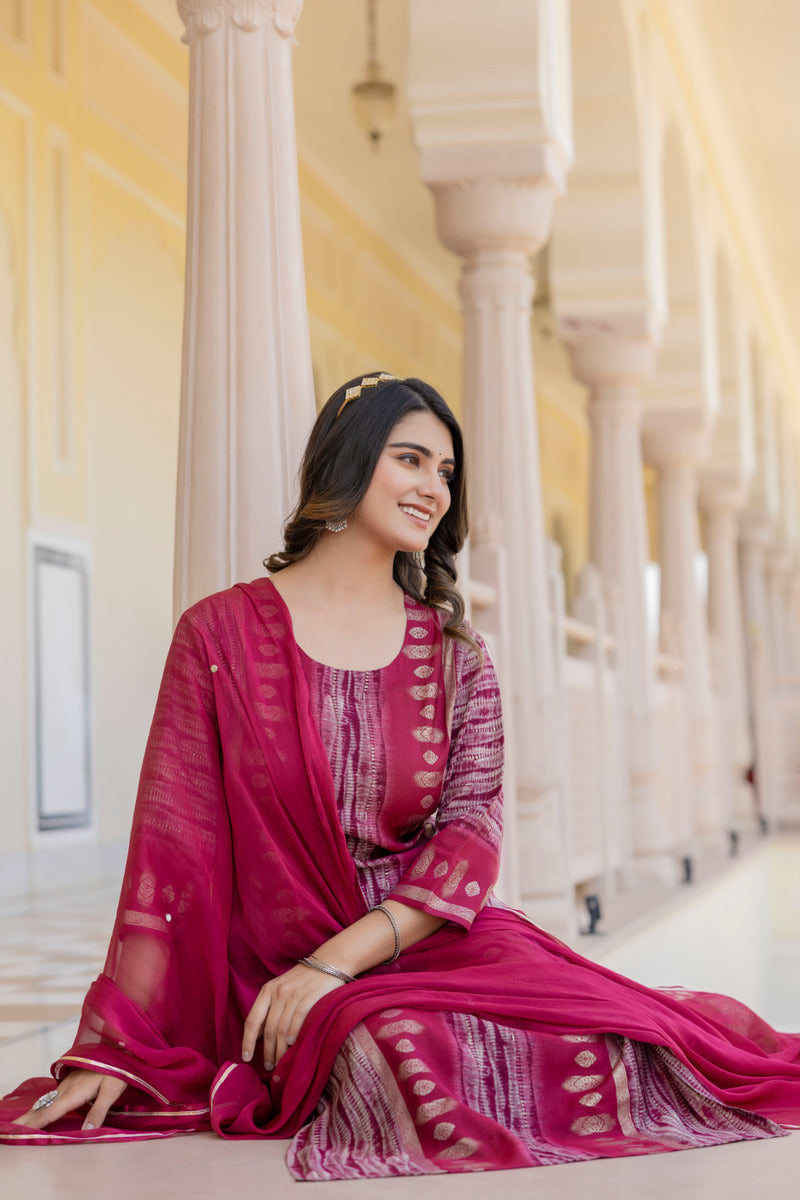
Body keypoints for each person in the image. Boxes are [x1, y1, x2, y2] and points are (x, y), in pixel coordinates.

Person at [2, 373, 799, 1177]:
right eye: (411, 460)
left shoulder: (457, 658)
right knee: (402, 1050)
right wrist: (115, 1049)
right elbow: (171, 854)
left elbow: (472, 834)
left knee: (606, 1038)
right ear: (346, 464)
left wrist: (336, 962)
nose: (433, 489)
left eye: (446, 473)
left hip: (421, 940)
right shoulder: (219, 637)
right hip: (275, 971)